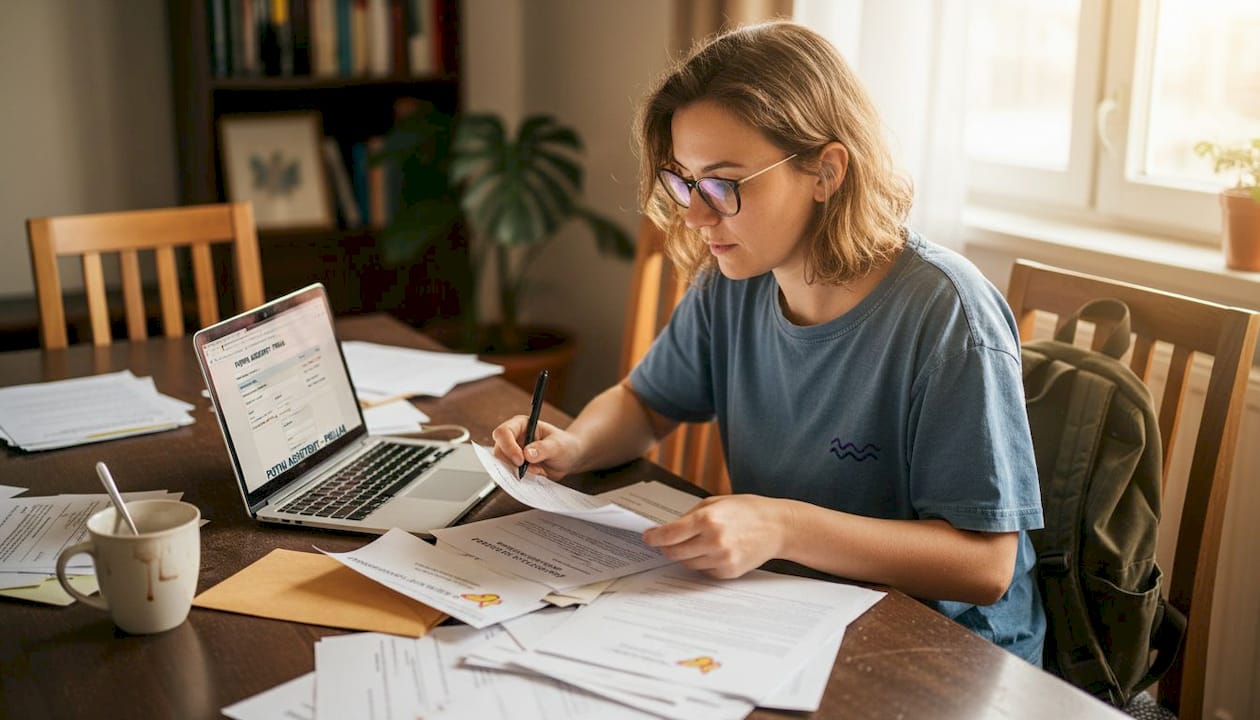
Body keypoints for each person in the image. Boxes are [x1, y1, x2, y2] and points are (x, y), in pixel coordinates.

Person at [491, 20, 1045, 665]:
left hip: (942, 654)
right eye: (684, 183)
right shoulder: (735, 279)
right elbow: (644, 403)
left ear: (825, 172)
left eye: (724, 184)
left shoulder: (946, 314)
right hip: (791, 610)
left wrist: (784, 524)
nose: (697, 217)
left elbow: (985, 566)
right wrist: (575, 444)